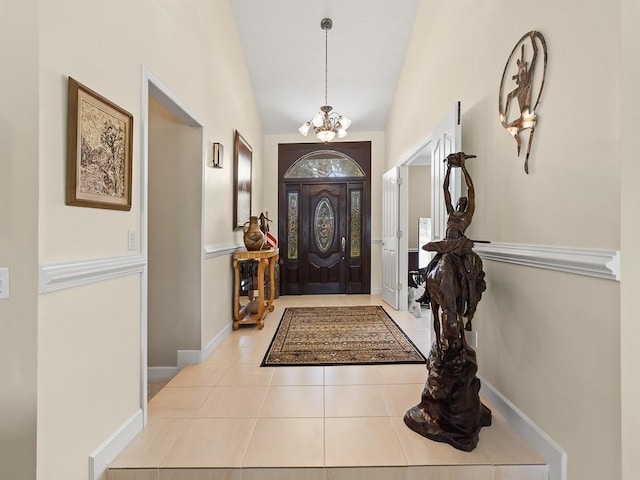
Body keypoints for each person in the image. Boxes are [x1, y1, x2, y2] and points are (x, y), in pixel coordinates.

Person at [420, 152, 485, 327]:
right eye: (459, 202)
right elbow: (445, 190)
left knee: (469, 268)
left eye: (463, 203)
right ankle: (428, 289)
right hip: (446, 243)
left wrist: (464, 168)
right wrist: (448, 169)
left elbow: (471, 190)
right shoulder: (451, 213)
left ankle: (470, 298)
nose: (461, 204)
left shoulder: (467, 216)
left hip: (458, 244)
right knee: (433, 263)